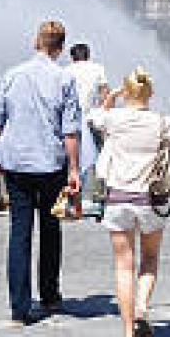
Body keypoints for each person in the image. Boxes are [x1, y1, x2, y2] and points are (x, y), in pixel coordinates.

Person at [0, 20, 82, 325]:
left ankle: (19, 307)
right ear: (61, 48)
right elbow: (70, 131)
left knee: (20, 232)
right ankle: (50, 296)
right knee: (51, 229)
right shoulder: (65, 79)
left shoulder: (12, 75)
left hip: (17, 162)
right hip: (51, 164)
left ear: (35, 42)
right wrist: (75, 169)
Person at [88, 67, 170, 337]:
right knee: (150, 258)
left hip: (117, 198)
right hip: (151, 200)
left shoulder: (114, 119)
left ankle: (129, 330)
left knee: (123, 264)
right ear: (150, 94)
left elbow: (94, 117)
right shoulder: (163, 122)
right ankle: (141, 307)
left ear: (126, 92)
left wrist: (111, 97)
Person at [67, 43, 109, 218]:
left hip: (72, 120)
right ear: (88, 55)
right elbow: (105, 94)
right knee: (100, 158)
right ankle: (99, 200)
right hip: (93, 118)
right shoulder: (97, 69)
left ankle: (73, 199)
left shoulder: (66, 70)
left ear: (72, 57)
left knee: (73, 159)